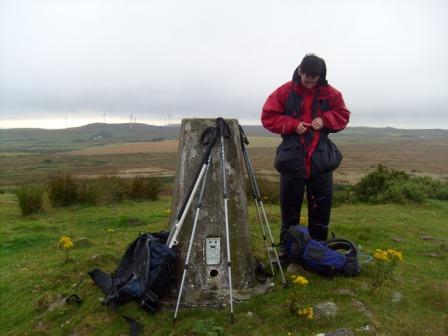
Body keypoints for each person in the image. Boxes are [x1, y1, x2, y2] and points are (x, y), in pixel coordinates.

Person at [261, 53, 350, 255]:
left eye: (314, 79)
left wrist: (325, 120)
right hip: (293, 161)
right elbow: (268, 116)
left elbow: (343, 116)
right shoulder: (284, 91)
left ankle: (317, 253)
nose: (309, 84)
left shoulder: (332, 94)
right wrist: (292, 124)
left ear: (320, 75)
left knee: (321, 213)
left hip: (321, 162)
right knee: (289, 213)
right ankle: (288, 252)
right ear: (300, 71)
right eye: (306, 78)